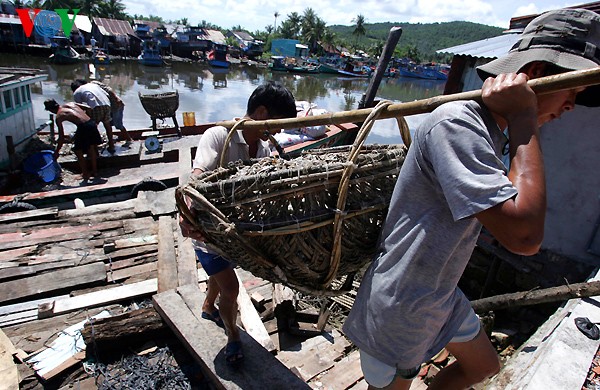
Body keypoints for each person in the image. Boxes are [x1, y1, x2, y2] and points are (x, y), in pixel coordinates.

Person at [342, 8, 600, 390]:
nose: (570, 106)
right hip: (403, 302)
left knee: (483, 366)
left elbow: (515, 210)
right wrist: (525, 118)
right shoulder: (458, 123)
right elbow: (525, 237)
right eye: (573, 92)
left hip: (439, 294)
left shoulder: (492, 135)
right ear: (540, 74)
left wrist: (519, 122)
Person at [179, 81, 297, 366]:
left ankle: (209, 306)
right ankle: (233, 337)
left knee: (222, 275)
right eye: (279, 122)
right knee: (231, 289)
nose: (280, 131)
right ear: (261, 112)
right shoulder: (219, 136)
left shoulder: (264, 149)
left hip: (235, 233)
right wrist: (186, 214)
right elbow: (196, 179)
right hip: (206, 231)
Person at [43, 99, 103, 183]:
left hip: (83, 127)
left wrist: (57, 151)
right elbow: (89, 108)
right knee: (91, 147)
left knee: (77, 150)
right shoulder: (71, 103)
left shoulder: (59, 116)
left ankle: (85, 174)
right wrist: (89, 119)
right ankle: (95, 171)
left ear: (51, 110)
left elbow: (61, 137)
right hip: (91, 123)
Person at [70, 79, 115, 153]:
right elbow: (107, 94)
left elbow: (80, 108)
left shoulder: (77, 92)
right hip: (107, 104)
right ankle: (111, 146)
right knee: (107, 125)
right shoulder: (94, 85)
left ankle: (94, 150)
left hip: (95, 106)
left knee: (92, 128)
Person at [89, 79, 134, 146]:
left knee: (118, 125)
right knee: (108, 124)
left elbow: (108, 90)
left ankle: (129, 139)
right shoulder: (89, 89)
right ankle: (110, 141)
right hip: (107, 107)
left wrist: (116, 99)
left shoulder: (94, 83)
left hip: (116, 105)